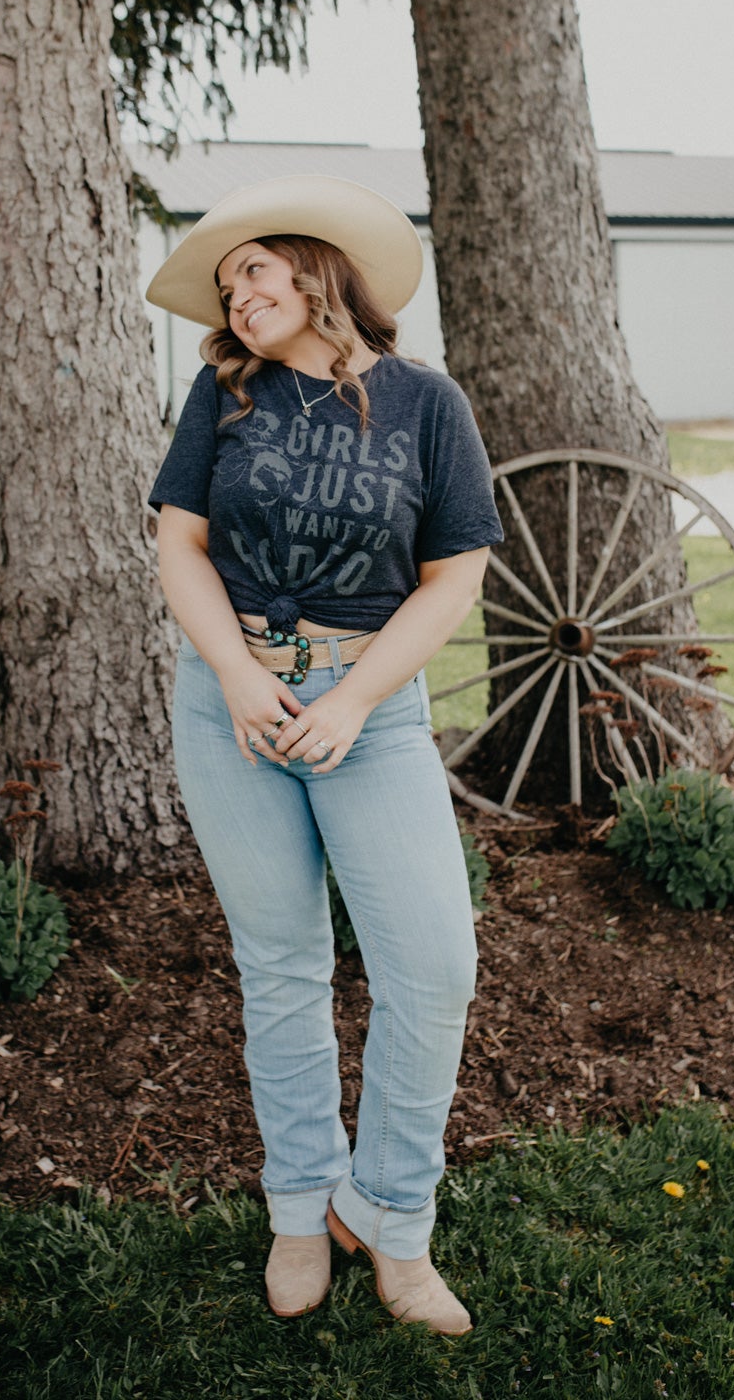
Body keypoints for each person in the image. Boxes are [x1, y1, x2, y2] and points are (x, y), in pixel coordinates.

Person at [145, 174, 503, 1334]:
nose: (236, 293)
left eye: (255, 269)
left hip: (373, 713)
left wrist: (350, 698)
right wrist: (245, 680)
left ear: (317, 271)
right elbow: (180, 546)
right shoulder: (223, 395)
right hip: (230, 703)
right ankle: (301, 1210)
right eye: (225, 281)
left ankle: (390, 1221)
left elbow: (456, 577)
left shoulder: (424, 404)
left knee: (435, 968)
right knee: (283, 965)